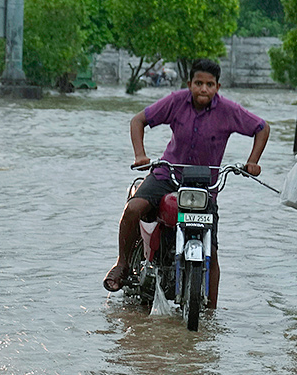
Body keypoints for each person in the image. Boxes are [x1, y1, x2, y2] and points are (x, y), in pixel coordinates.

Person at [103, 58, 269, 308]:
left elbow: (262, 128)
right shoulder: (175, 101)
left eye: (210, 84)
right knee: (133, 209)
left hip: (204, 187)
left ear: (218, 87)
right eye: (199, 83)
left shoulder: (229, 111)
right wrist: (140, 155)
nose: (204, 89)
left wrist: (252, 161)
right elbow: (138, 120)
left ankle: (211, 313)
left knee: (211, 247)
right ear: (189, 83)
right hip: (166, 176)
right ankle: (122, 264)